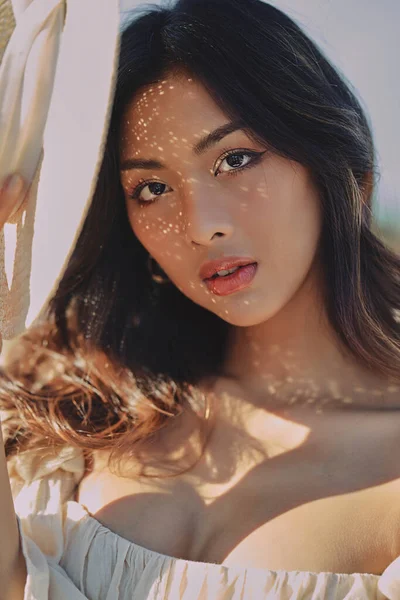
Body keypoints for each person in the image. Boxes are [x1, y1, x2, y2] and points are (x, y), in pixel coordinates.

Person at [1, 0, 400, 597]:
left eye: (236, 159)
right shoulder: (68, 407)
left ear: (338, 169)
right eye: (152, 187)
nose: (200, 225)